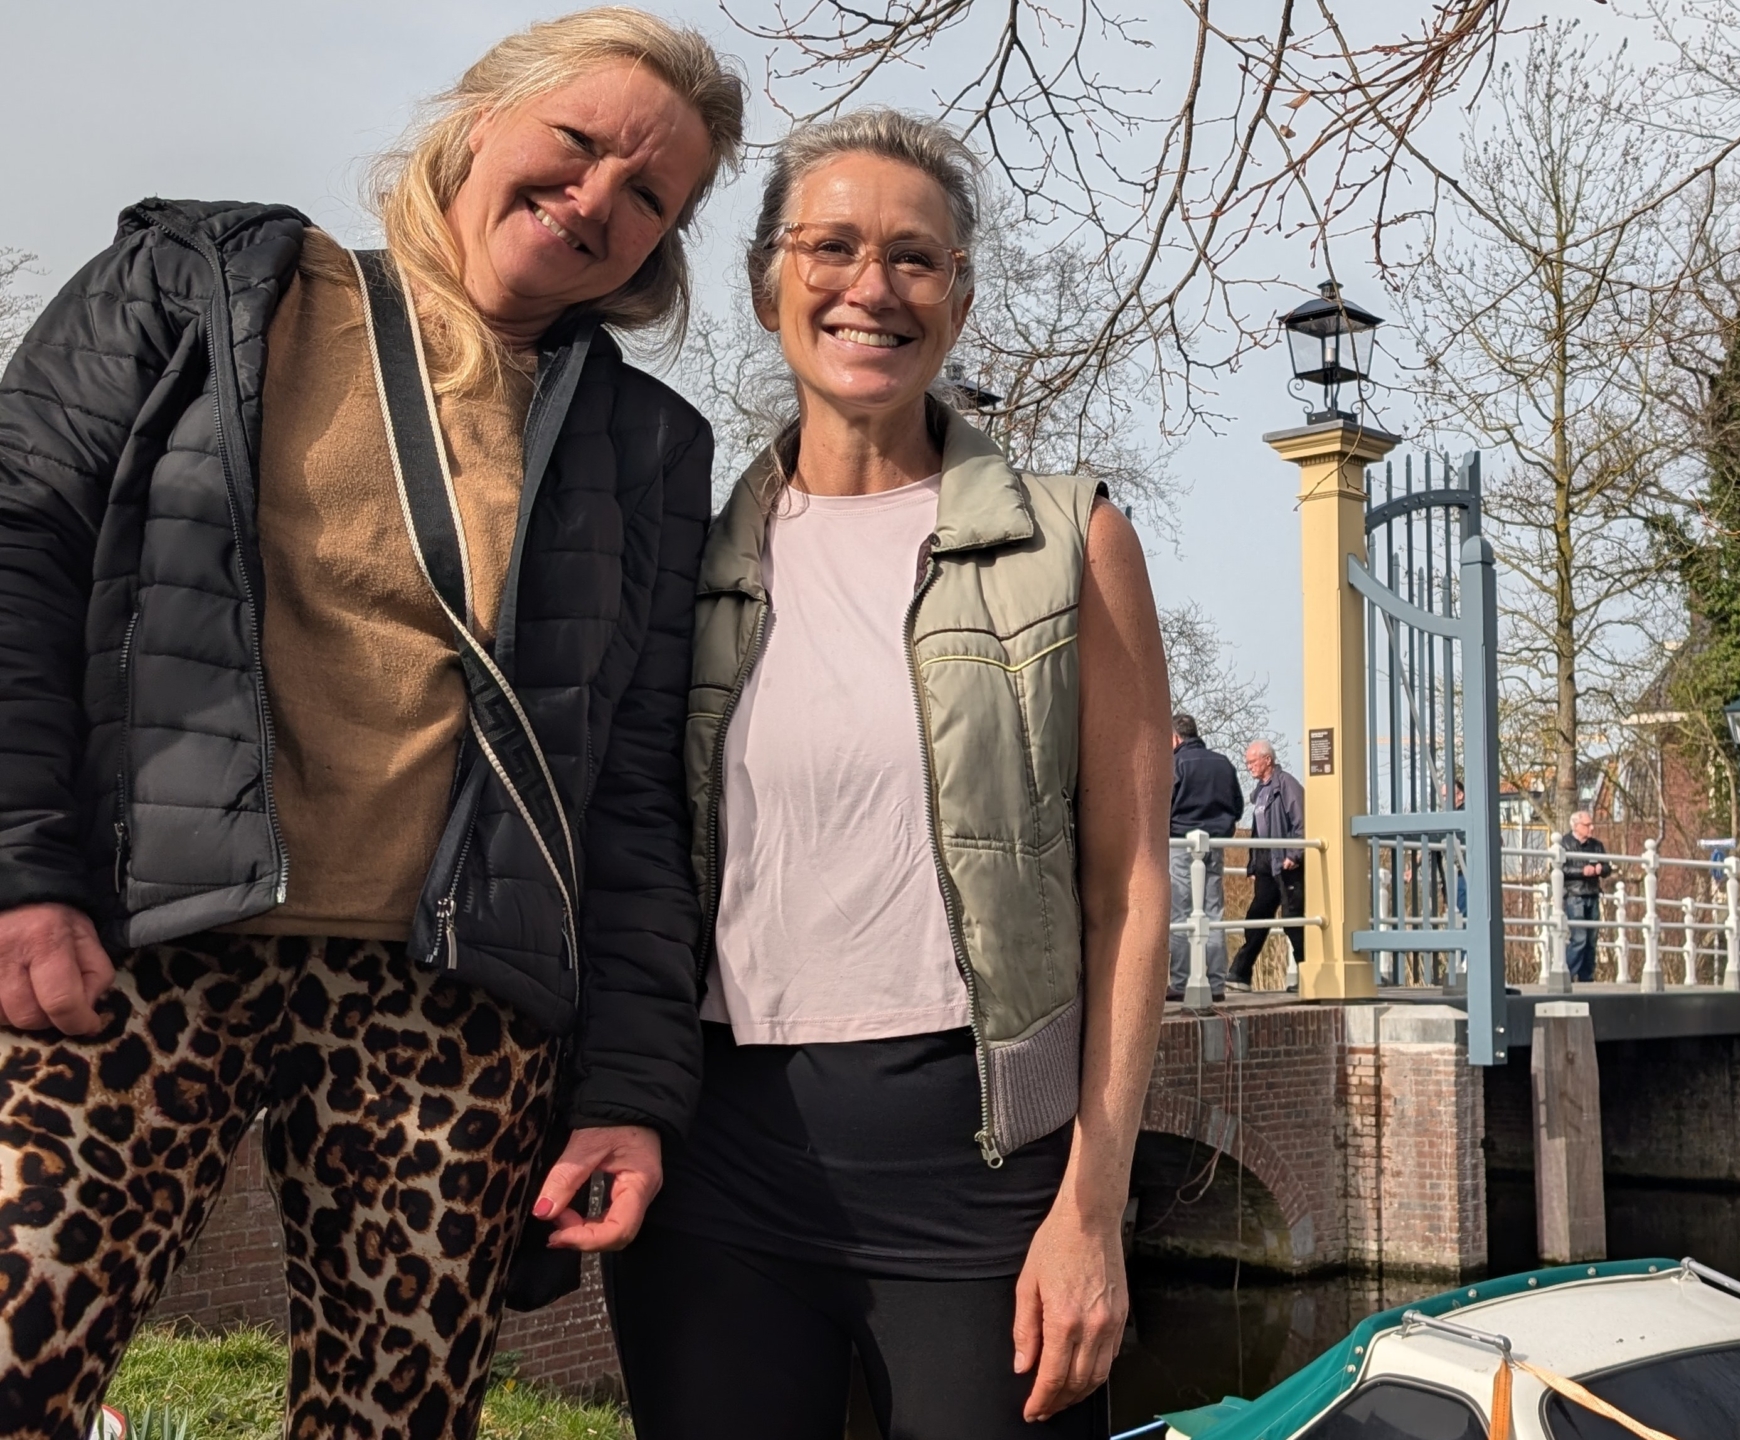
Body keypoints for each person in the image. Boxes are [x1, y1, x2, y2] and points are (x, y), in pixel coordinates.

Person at [0, 13, 746, 1437]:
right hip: (142, 942)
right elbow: (18, 540)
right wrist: (21, 869)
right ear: (477, 123)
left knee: (396, 1421)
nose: (597, 199)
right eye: (576, 145)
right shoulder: (210, 284)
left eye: (650, 193)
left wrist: (631, 1087)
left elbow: (635, 788)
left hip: (452, 997)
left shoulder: (645, 443)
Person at [609, 110, 1170, 1440]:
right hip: (717, 1169)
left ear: (962, 297)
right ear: (767, 281)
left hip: (981, 1169)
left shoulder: (1068, 541)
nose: (872, 287)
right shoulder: (680, 562)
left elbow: (1130, 891)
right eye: (834, 247)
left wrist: (1091, 1204)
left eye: (917, 259)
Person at [1165, 714, 1244, 999]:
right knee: (1213, 913)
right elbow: (1238, 805)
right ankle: (1216, 982)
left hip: (1181, 843)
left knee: (1182, 912)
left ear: (1175, 738)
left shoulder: (1175, 764)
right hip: (1215, 843)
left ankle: (1181, 981)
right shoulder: (1223, 763)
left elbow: (1165, 803)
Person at [1229, 740, 1304, 989]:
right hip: (1265, 865)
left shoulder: (1286, 785)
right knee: (1256, 917)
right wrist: (1252, 865)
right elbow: (1258, 832)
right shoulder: (1261, 791)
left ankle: (1306, 974)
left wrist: (1294, 854)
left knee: (1293, 919)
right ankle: (1240, 973)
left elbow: (1301, 820)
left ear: (1267, 760)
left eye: (1252, 761)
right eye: (1247, 761)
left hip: (1285, 865)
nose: (1248, 766)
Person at [1561, 810, 1611, 982]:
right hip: (1575, 895)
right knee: (1579, 938)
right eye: (1587, 825)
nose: (1592, 828)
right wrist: (1582, 871)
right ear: (1576, 826)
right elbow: (1560, 869)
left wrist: (1600, 869)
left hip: (1593, 894)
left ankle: (1586, 977)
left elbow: (1607, 868)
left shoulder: (1597, 845)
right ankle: (1565, 973)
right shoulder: (1564, 844)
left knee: (1592, 940)